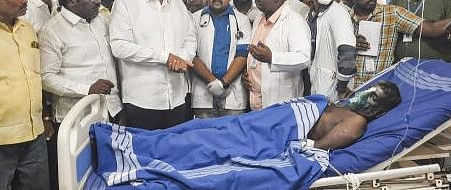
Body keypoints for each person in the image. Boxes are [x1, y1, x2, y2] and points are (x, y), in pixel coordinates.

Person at [90, 81, 401, 189]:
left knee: (196, 145)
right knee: (194, 130)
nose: (366, 98)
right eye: (369, 91)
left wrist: (287, 148)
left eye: (375, 99)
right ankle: (117, 145)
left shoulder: (356, 121)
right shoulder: (336, 102)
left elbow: (316, 147)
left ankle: (122, 159)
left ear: (379, 110)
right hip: (253, 124)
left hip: (264, 137)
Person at [39, 0, 122, 190]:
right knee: (78, 177)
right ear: (71, 0)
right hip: (76, 117)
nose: (98, 0)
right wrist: (87, 89)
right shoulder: (52, 31)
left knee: (107, 174)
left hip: (110, 110)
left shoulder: (102, 20)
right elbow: (47, 77)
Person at [110, 0, 196, 130]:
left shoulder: (178, 5)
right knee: (146, 155)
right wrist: (165, 58)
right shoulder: (125, 3)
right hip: (142, 101)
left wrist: (181, 58)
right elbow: (120, 46)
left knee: (175, 153)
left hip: (177, 98)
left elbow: (190, 38)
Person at [347, 0, 451, 87]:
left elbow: (431, 28)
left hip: (380, 89)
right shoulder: (343, 18)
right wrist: (349, 44)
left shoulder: (392, 13)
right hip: (349, 88)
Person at [0, 0, 49, 190]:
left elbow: (36, 75)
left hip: (33, 132)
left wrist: (45, 116)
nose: (24, 0)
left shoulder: (27, 29)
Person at [244, 0, 311, 110]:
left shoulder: (294, 21)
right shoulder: (259, 19)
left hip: (281, 100)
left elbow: (304, 58)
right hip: (256, 100)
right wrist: (248, 73)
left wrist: (272, 58)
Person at [191, 0, 251, 118]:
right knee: (204, 138)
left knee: (232, 138)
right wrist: (212, 81)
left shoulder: (241, 20)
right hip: (202, 95)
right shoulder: (194, 18)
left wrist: (223, 83)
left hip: (234, 95)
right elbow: (191, 54)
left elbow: (242, 55)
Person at [305, 0, 356, 102]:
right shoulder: (312, 15)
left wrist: (342, 87)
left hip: (334, 92)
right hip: (317, 86)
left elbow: (348, 52)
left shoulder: (338, 12)